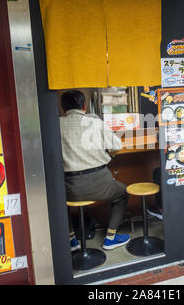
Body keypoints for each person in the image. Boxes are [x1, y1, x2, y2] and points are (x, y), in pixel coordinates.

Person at [59, 90, 130, 251]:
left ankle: (71, 240)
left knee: (57, 201)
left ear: (63, 108)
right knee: (122, 193)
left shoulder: (55, 125)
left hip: (70, 187)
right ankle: (110, 238)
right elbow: (116, 146)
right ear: (84, 106)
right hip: (101, 184)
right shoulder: (95, 122)